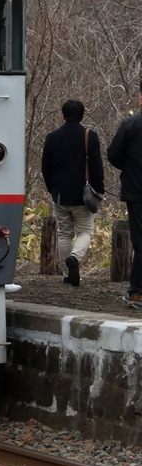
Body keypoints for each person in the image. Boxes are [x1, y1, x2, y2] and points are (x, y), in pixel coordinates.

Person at [41, 99, 104, 286]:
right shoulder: (89, 136)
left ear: (63, 115)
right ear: (82, 115)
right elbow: (96, 167)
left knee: (64, 234)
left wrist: (52, 189)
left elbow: (46, 167)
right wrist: (98, 190)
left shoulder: (52, 137)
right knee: (85, 231)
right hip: (82, 196)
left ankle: (67, 274)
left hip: (60, 194)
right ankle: (75, 258)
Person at [108, 87, 142, 308]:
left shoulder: (131, 125)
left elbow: (113, 154)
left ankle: (137, 292)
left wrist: (129, 167)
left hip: (137, 189)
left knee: (140, 241)